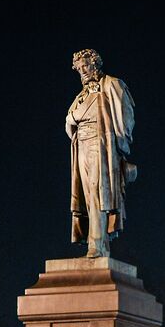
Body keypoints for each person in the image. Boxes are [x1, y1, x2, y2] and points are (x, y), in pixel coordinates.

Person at [66, 48, 135, 258]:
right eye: (78, 69)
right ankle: (93, 241)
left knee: (98, 192)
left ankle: (98, 245)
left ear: (95, 64)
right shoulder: (80, 95)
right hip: (82, 146)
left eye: (85, 66)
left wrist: (120, 147)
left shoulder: (112, 84)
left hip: (101, 143)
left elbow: (126, 117)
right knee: (87, 195)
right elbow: (70, 121)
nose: (83, 71)